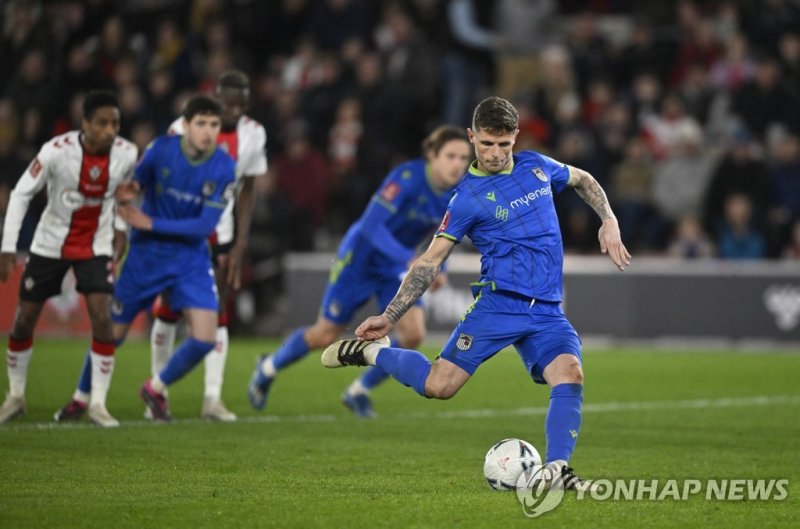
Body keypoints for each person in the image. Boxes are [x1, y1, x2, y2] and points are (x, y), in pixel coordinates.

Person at [321, 97, 631, 491]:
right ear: (472, 138)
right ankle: (372, 352)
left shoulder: (537, 166)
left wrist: (609, 219)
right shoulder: (466, 198)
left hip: (547, 309)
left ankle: (557, 471)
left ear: (516, 137)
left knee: (570, 373)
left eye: (504, 144)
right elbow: (430, 260)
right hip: (499, 304)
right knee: (439, 386)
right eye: (487, 144)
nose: (496, 153)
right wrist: (391, 316)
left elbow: (583, 179)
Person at [248, 125, 471, 417]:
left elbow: (446, 236)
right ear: (432, 155)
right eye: (450, 156)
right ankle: (267, 367)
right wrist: (410, 260)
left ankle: (358, 391)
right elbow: (371, 226)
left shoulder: (456, 194)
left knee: (414, 334)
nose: (458, 164)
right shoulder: (408, 177)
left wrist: (440, 266)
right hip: (361, 259)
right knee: (324, 334)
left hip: (394, 266)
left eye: (463, 157)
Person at [57, 94, 236, 423]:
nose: (208, 131)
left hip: (190, 257)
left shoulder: (225, 167)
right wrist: (132, 190)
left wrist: (149, 221)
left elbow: (204, 226)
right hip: (147, 255)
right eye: (201, 123)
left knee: (205, 338)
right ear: (186, 125)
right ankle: (81, 398)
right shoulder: (161, 149)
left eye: (214, 124)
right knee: (112, 334)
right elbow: (138, 181)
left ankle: (156, 386)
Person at [0, 91, 138, 427]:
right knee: (24, 320)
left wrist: (120, 227)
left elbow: (123, 192)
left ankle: (98, 405)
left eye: (115, 123)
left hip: (96, 245)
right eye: (102, 123)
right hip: (50, 243)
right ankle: (15, 396)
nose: (110, 130)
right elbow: (20, 194)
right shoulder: (56, 152)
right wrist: (7, 246)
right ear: (86, 123)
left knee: (103, 318)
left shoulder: (127, 153)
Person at [149, 70, 267, 422]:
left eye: (240, 105)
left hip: (221, 234)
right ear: (215, 96)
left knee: (218, 309)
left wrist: (240, 242)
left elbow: (248, 188)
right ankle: (158, 391)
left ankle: (211, 398)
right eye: (228, 103)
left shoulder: (254, 134)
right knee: (169, 308)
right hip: (181, 231)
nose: (234, 110)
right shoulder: (182, 128)